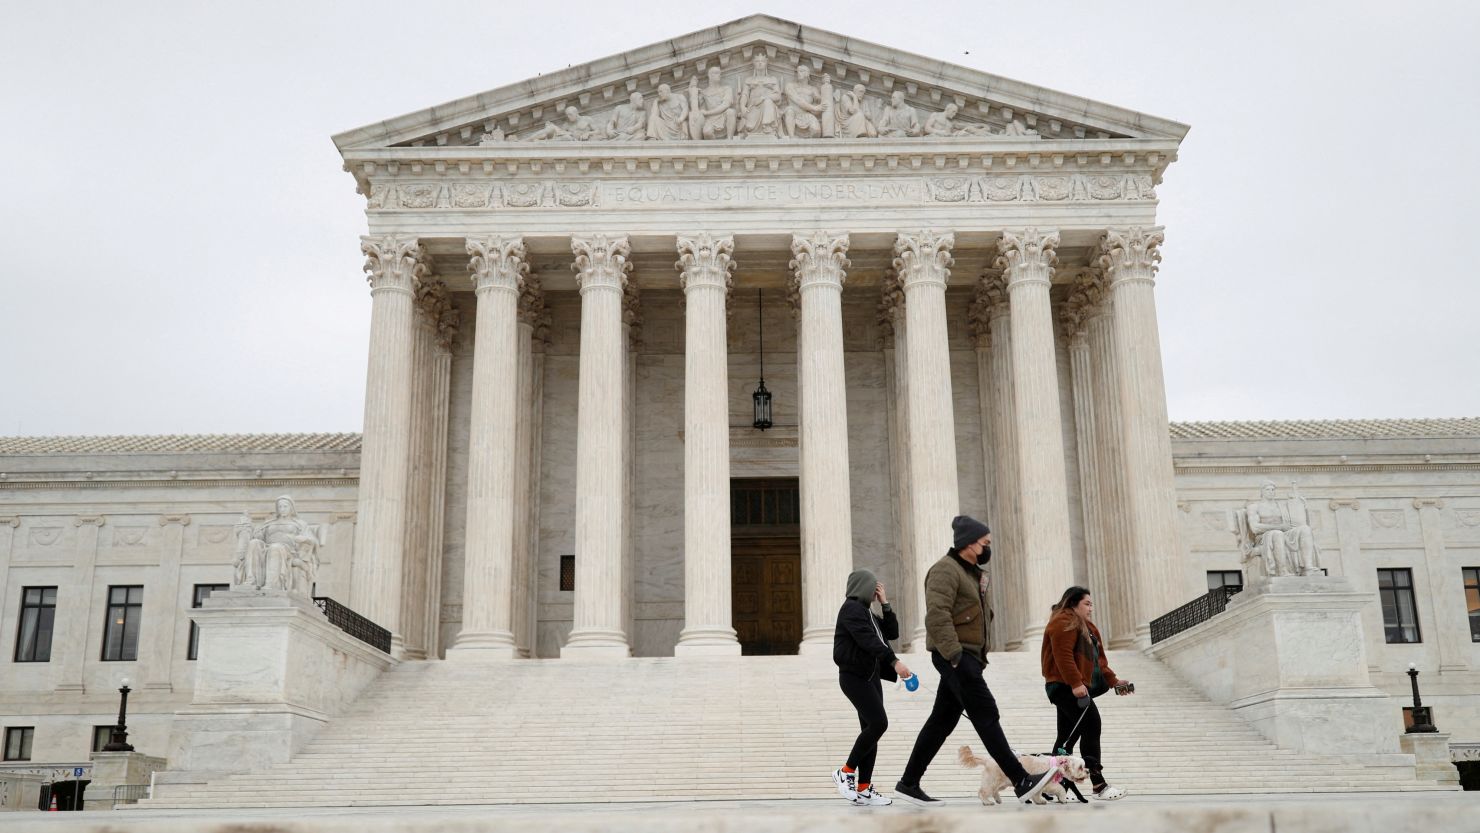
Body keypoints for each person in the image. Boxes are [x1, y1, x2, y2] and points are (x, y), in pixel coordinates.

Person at [895, 516, 1061, 805]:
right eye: (985, 543)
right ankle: (1021, 780)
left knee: (940, 722)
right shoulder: (944, 570)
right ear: (969, 544)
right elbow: (937, 615)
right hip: (957, 657)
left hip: (969, 656)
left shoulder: (972, 573)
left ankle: (908, 782)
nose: (988, 548)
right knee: (986, 715)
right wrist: (955, 655)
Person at [1041, 585, 1134, 800]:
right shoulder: (1062, 621)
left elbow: (1098, 662)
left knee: (1066, 739)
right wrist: (1075, 683)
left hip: (1072, 687)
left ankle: (1052, 787)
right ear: (1073, 603)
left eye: (1091, 604)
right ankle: (1099, 785)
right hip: (1065, 687)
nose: (1091, 608)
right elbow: (1062, 656)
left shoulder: (1086, 626)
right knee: (1092, 725)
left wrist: (1114, 682)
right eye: (1087, 603)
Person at [831, 569, 910, 806]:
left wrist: (885, 603)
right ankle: (845, 771)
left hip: (870, 676)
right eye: (872, 586)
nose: (875, 590)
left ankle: (864, 787)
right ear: (861, 587)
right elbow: (869, 641)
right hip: (854, 677)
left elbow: (892, 633)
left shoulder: (867, 612)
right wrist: (894, 662)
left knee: (871, 730)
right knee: (879, 723)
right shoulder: (851, 610)